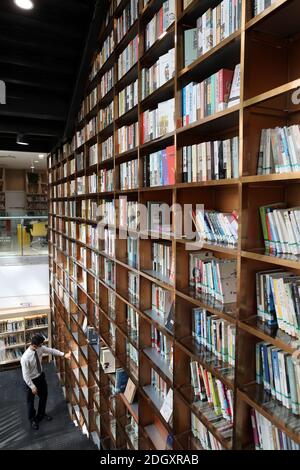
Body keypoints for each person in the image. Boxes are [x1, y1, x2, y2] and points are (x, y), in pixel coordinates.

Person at [21, 334, 71, 430]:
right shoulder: (25, 358)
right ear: (35, 345)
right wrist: (32, 386)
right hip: (30, 381)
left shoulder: (40, 348)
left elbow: (51, 350)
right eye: (40, 345)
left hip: (40, 377)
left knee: (44, 396)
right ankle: (32, 419)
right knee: (30, 402)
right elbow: (25, 375)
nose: (42, 347)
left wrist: (64, 355)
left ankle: (41, 414)